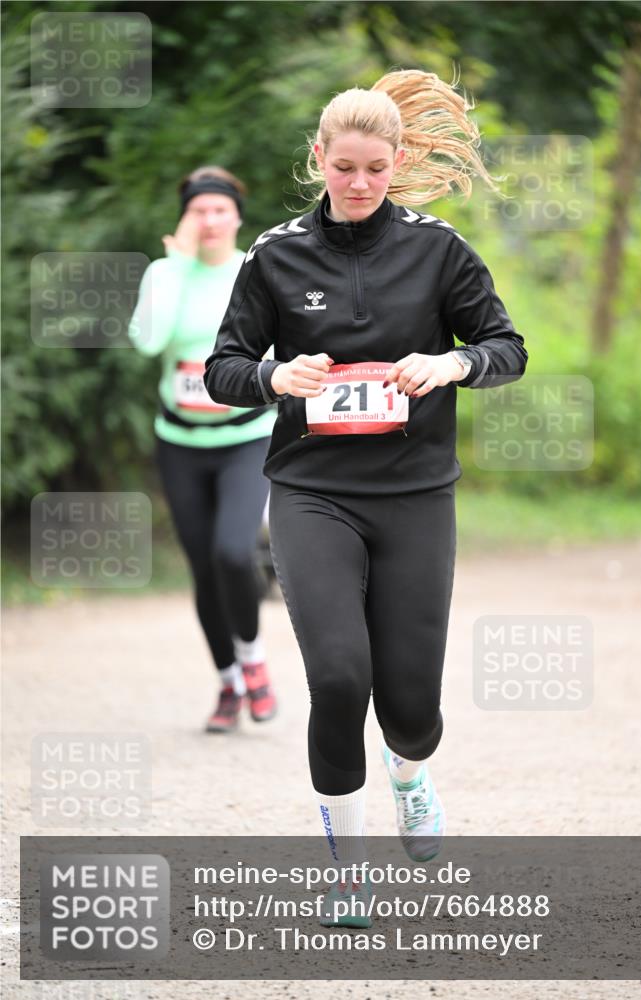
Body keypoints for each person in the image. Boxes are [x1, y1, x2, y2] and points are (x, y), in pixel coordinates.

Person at [204, 70, 527, 920]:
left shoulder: (439, 249)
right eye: (343, 167)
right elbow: (223, 369)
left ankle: (411, 776)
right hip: (312, 492)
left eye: (375, 169)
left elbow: (504, 344)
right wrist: (276, 375)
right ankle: (347, 865)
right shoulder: (273, 255)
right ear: (318, 158)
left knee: (410, 705)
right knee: (340, 679)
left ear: (399, 162)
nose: (358, 185)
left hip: (416, 493)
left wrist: (451, 361)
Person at [129, 166, 278, 733]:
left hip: (246, 438)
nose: (210, 219)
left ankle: (254, 658)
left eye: (220, 209)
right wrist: (175, 266)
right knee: (203, 570)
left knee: (234, 554)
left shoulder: (256, 270)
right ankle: (227, 684)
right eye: (199, 210)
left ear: (238, 216)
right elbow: (149, 341)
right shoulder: (166, 273)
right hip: (181, 444)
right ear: (186, 218)